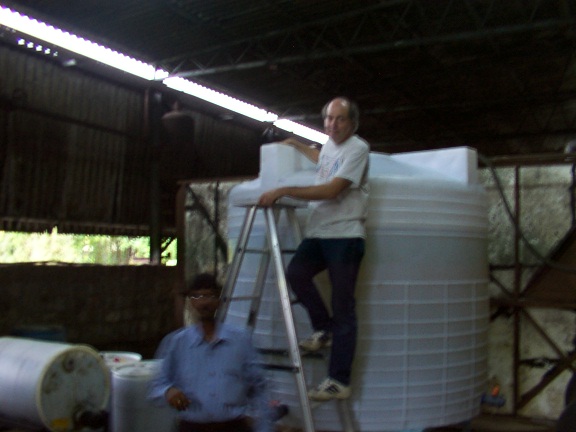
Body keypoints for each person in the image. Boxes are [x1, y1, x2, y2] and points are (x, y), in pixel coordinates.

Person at [258, 97, 370, 402]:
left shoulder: (358, 149)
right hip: (320, 232)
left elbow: (334, 189)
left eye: (340, 119)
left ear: (352, 122)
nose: (332, 125)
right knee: (296, 274)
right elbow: (321, 158)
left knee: (343, 307)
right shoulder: (330, 145)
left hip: (345, 236)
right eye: (328, 119)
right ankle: (324, 328)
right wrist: (296, 144)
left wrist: (284, 190)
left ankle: (338, 380)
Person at [148, 273, 274, 432]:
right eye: (196, 296)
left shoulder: (241, 341)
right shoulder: (177, 343)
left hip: (233, 426)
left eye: (210, 296)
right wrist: (168, 391)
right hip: (192, 427)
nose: (203, 302)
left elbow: (260, 388)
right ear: (190, 302)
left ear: (219, 300)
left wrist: (264, 427)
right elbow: (156, 385)